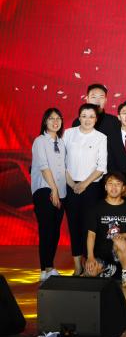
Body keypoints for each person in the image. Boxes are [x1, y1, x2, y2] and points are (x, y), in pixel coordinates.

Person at [64, 103, 108, 275]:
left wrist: (84, 184)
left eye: (91, 116)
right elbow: (62, 161)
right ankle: (77, 266)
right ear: (79, 117)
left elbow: (101, 167)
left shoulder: (101, 137)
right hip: (70, 185)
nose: (87, 120)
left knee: (89, 226)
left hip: (91, 187)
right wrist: (72, 184)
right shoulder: (68, 133)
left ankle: (90, 261)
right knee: (73, 225)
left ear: (96, 119)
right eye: (84, 116)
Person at [84, 172, 126, 286]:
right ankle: (110, 269)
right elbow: (91, 235)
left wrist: (123, 235)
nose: (114, 187)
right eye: (110, 184)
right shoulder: (96, 208)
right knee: (91, 272)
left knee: (119, 241)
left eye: (118, 184)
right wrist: (90, 257)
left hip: (121, 252)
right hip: (102, 253)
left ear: (123, 188)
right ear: (105, 187)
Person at [31, 108, 67, 281]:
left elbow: (65, 168)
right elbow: (44, 167)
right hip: (44, 189)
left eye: (58, 118)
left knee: (55, 231)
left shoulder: (61, 142)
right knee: (46, 229)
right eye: (51, 118)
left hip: (61, 191)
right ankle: (44, 269)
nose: (55, 121)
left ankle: (49, 267)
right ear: (45, 121)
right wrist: (53, 189)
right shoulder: (40, 141)